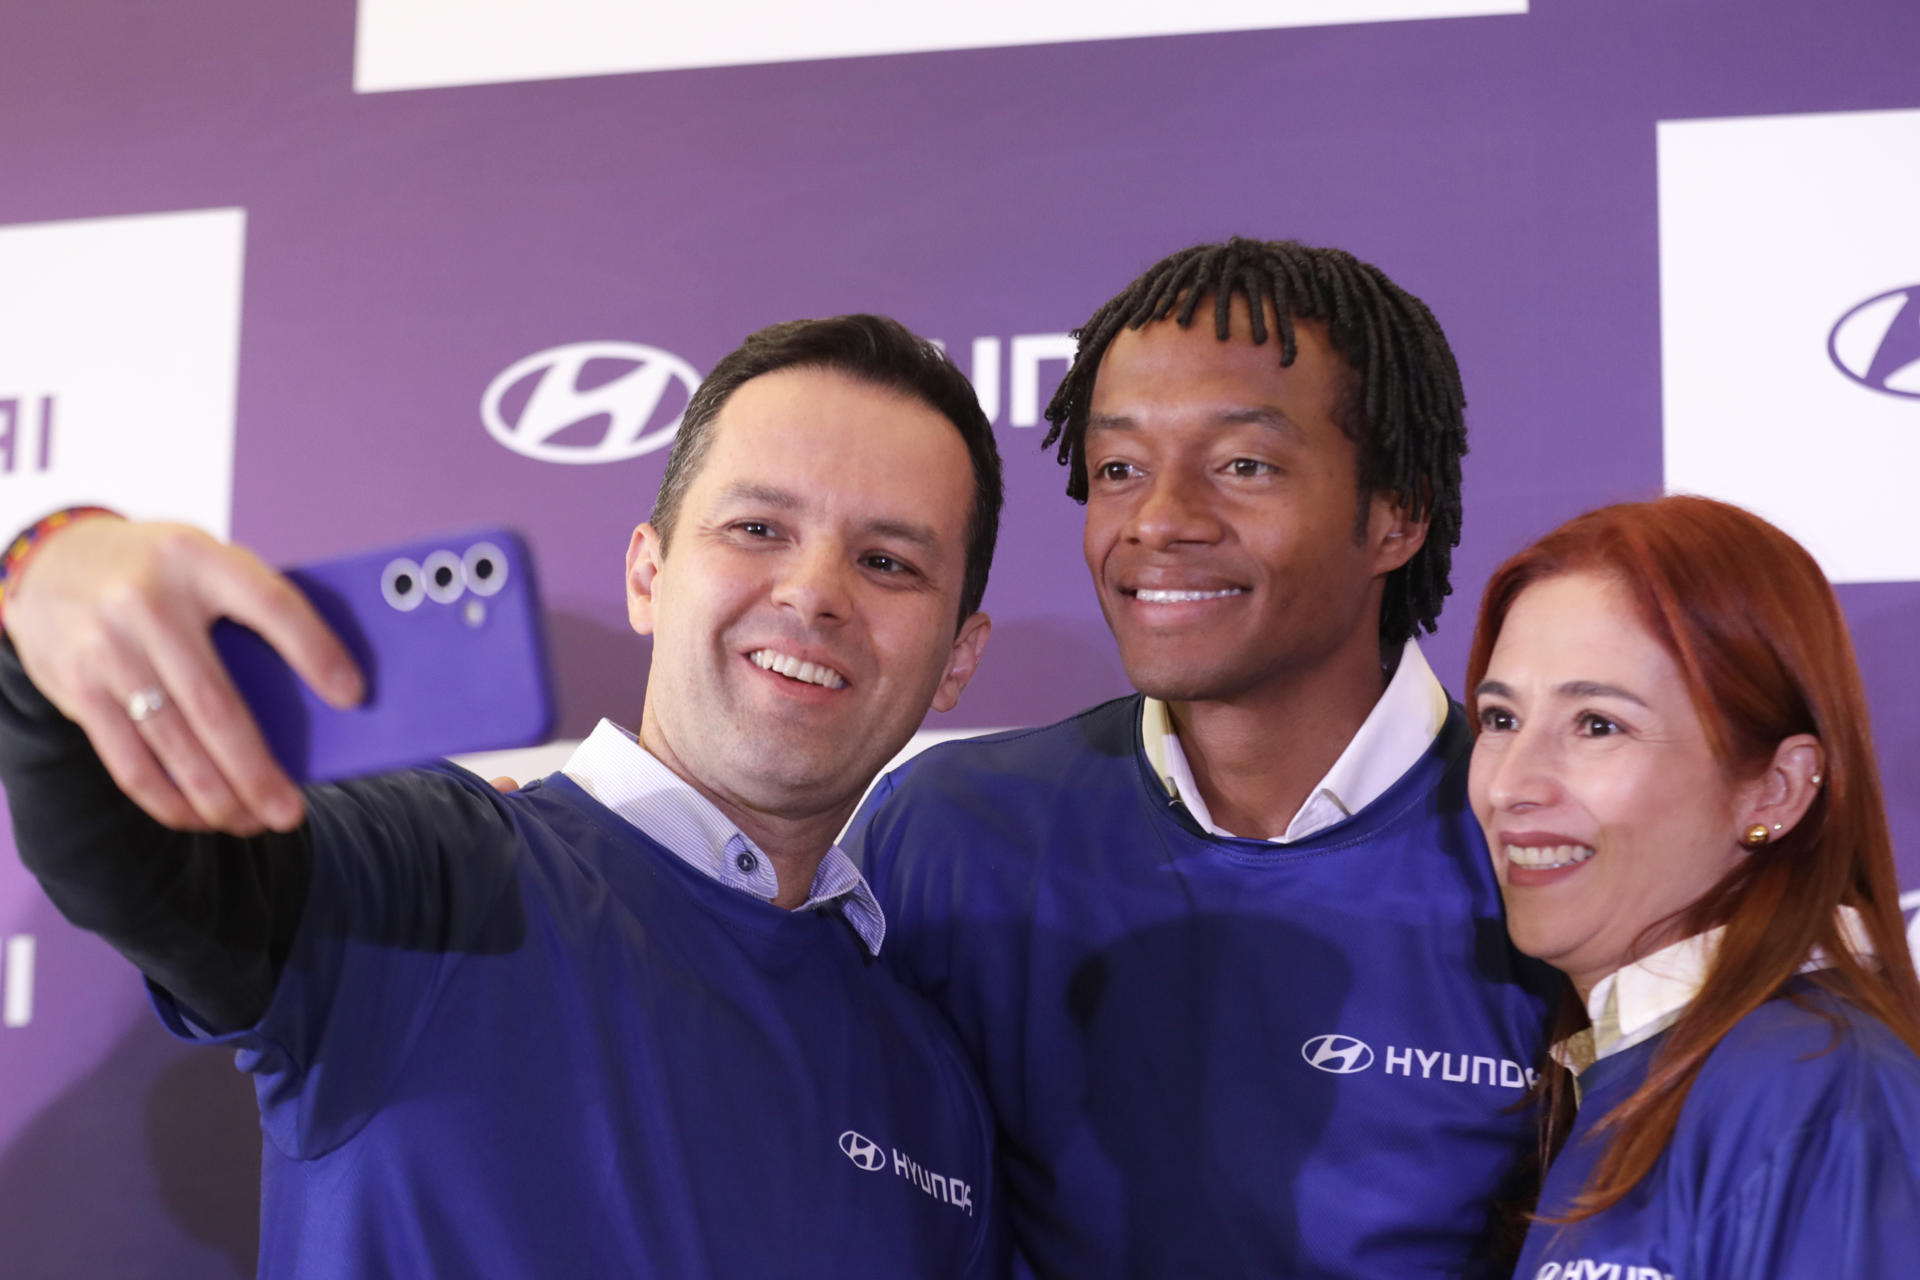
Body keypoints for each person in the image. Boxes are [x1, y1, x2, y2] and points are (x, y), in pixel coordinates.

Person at [0, 315, 1010, 1277]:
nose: (815, 590)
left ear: (957, 658)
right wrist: (49, 575)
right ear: (648, 573)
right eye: (757, 526)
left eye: (887, 561)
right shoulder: (441, 874)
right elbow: (140, 860)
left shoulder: (934, 1086)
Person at [846, 239, 1559, 1276]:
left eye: (1244, 465)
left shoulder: (1540, 842)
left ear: (1398, 512)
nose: (1162, 518)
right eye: (1118, 469)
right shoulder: (950, 829)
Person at [1465, 495, 1920, 1278]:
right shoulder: (1635, 1065)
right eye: (1501, 719)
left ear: (1776, 788)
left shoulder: (1815, 1087)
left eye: (1597, 725)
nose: (1512, 784)